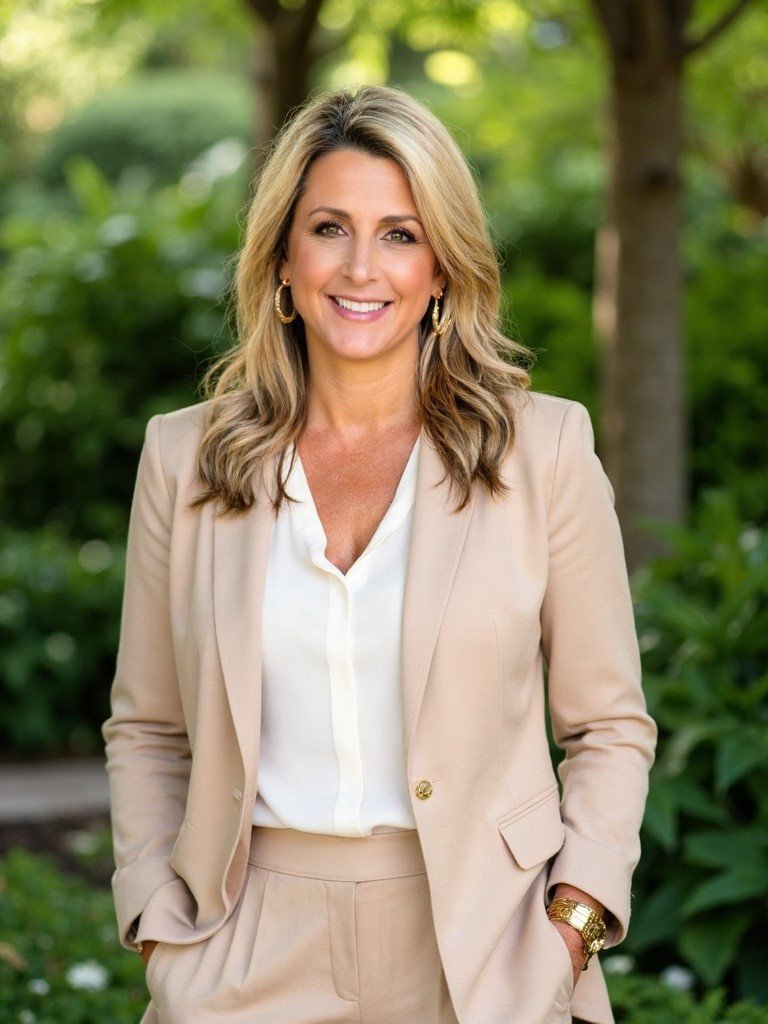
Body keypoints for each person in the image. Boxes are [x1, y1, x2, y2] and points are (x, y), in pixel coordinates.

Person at [101, 84, 657, 1024]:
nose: (363, 267)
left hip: (486, 949)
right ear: (282, 256)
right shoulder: (184, 458)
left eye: (401, 233)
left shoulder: (545, 451)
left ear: (442, 267)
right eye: (330, 228)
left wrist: (576, 920)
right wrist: (159, 922)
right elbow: (148, 728)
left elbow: (609, 725)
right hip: (242, 947)